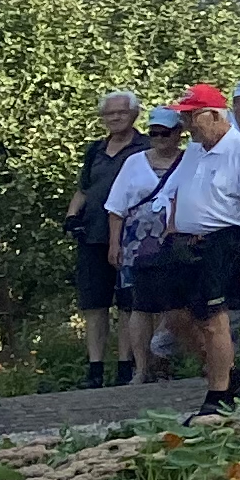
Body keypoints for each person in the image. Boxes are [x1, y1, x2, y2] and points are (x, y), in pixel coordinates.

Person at [144, 80, 240, 409]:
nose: (186, 125)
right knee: (176, 314)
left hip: (222, 241)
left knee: (214, 316)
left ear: (214, 115)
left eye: (192, 117)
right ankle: (224, 371)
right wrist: (173, 227)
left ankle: (217, 395)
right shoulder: (194, 151)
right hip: (184, 242)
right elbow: (176, 190)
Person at [102, 104, 197, 387]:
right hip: (137, 244)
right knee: (138, 306)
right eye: (153, 133)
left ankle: (164, 362)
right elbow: (116, 207)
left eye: (165, 133)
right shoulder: (134, 162)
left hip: (177, 240)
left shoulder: (191, 160)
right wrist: (114, 244)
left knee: (175, 304)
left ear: (178, 133)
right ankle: (141, 369)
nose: (159, 138)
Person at [62, 89, 149, 390]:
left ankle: (126, 366)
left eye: (120, 113)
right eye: (108, 114)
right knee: (94, 304)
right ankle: (95, 369)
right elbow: (83, 190)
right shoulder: (94, 151)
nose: (114, 118)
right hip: (93, 234)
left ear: (134, 114)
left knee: (128, 302)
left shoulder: (146, 147)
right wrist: (72, 217)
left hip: (133, 237)